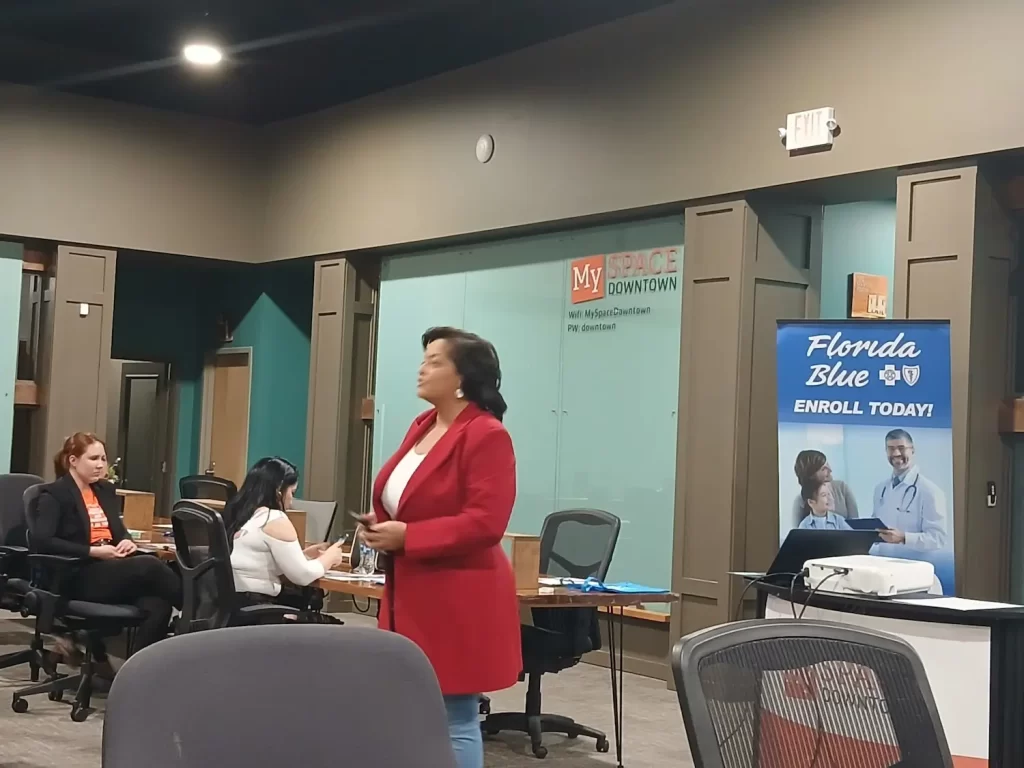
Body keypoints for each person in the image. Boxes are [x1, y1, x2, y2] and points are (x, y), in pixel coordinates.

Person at [361, 326, 521, 768]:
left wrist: (408, 537)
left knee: (453, 715)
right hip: (410, 591)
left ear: (461, 378)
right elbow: (409, 498)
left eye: (434, 361)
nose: (421, 368)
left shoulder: (486, 434)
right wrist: (383, 525)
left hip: (457, 595)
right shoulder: (422, 426)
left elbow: (486, 523)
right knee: (410, 706)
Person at [33, 432, 181, 678]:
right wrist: (93, 551)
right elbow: (43, 541)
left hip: (110, 569)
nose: (101, 464)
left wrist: (126, 541)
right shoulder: (54, 494)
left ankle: (136, 678)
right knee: (150, 566)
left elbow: (118, 529)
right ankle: (199, 614)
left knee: (158, 605)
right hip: (77, 573)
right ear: (73, 460)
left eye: (103, 458)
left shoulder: (105, 490)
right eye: (93, 458)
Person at [227, 457, 346, 609]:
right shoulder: (274, 519)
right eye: (292, 492)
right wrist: (330, 557)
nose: (291, 500)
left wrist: (304, 555)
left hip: (235, 603)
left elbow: (258, 559)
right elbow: (303, 576)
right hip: (259, 606)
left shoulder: (244, 516)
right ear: (279, 490)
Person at [871, 429, 947, 550]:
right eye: (891, 448)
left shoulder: (930, 491)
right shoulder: (880, 489)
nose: (896, 453)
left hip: (913, 565)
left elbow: (938, 538)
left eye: (901, 448)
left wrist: (904, 538)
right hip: (882, 563)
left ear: (912, 450)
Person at [790, 450, 858, 528]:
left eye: (827, 464)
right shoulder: (800, 501)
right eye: (823, 469)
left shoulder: (842, 488)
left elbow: (856, 526)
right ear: (812, 476)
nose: (830, 470)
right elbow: (797, 536)